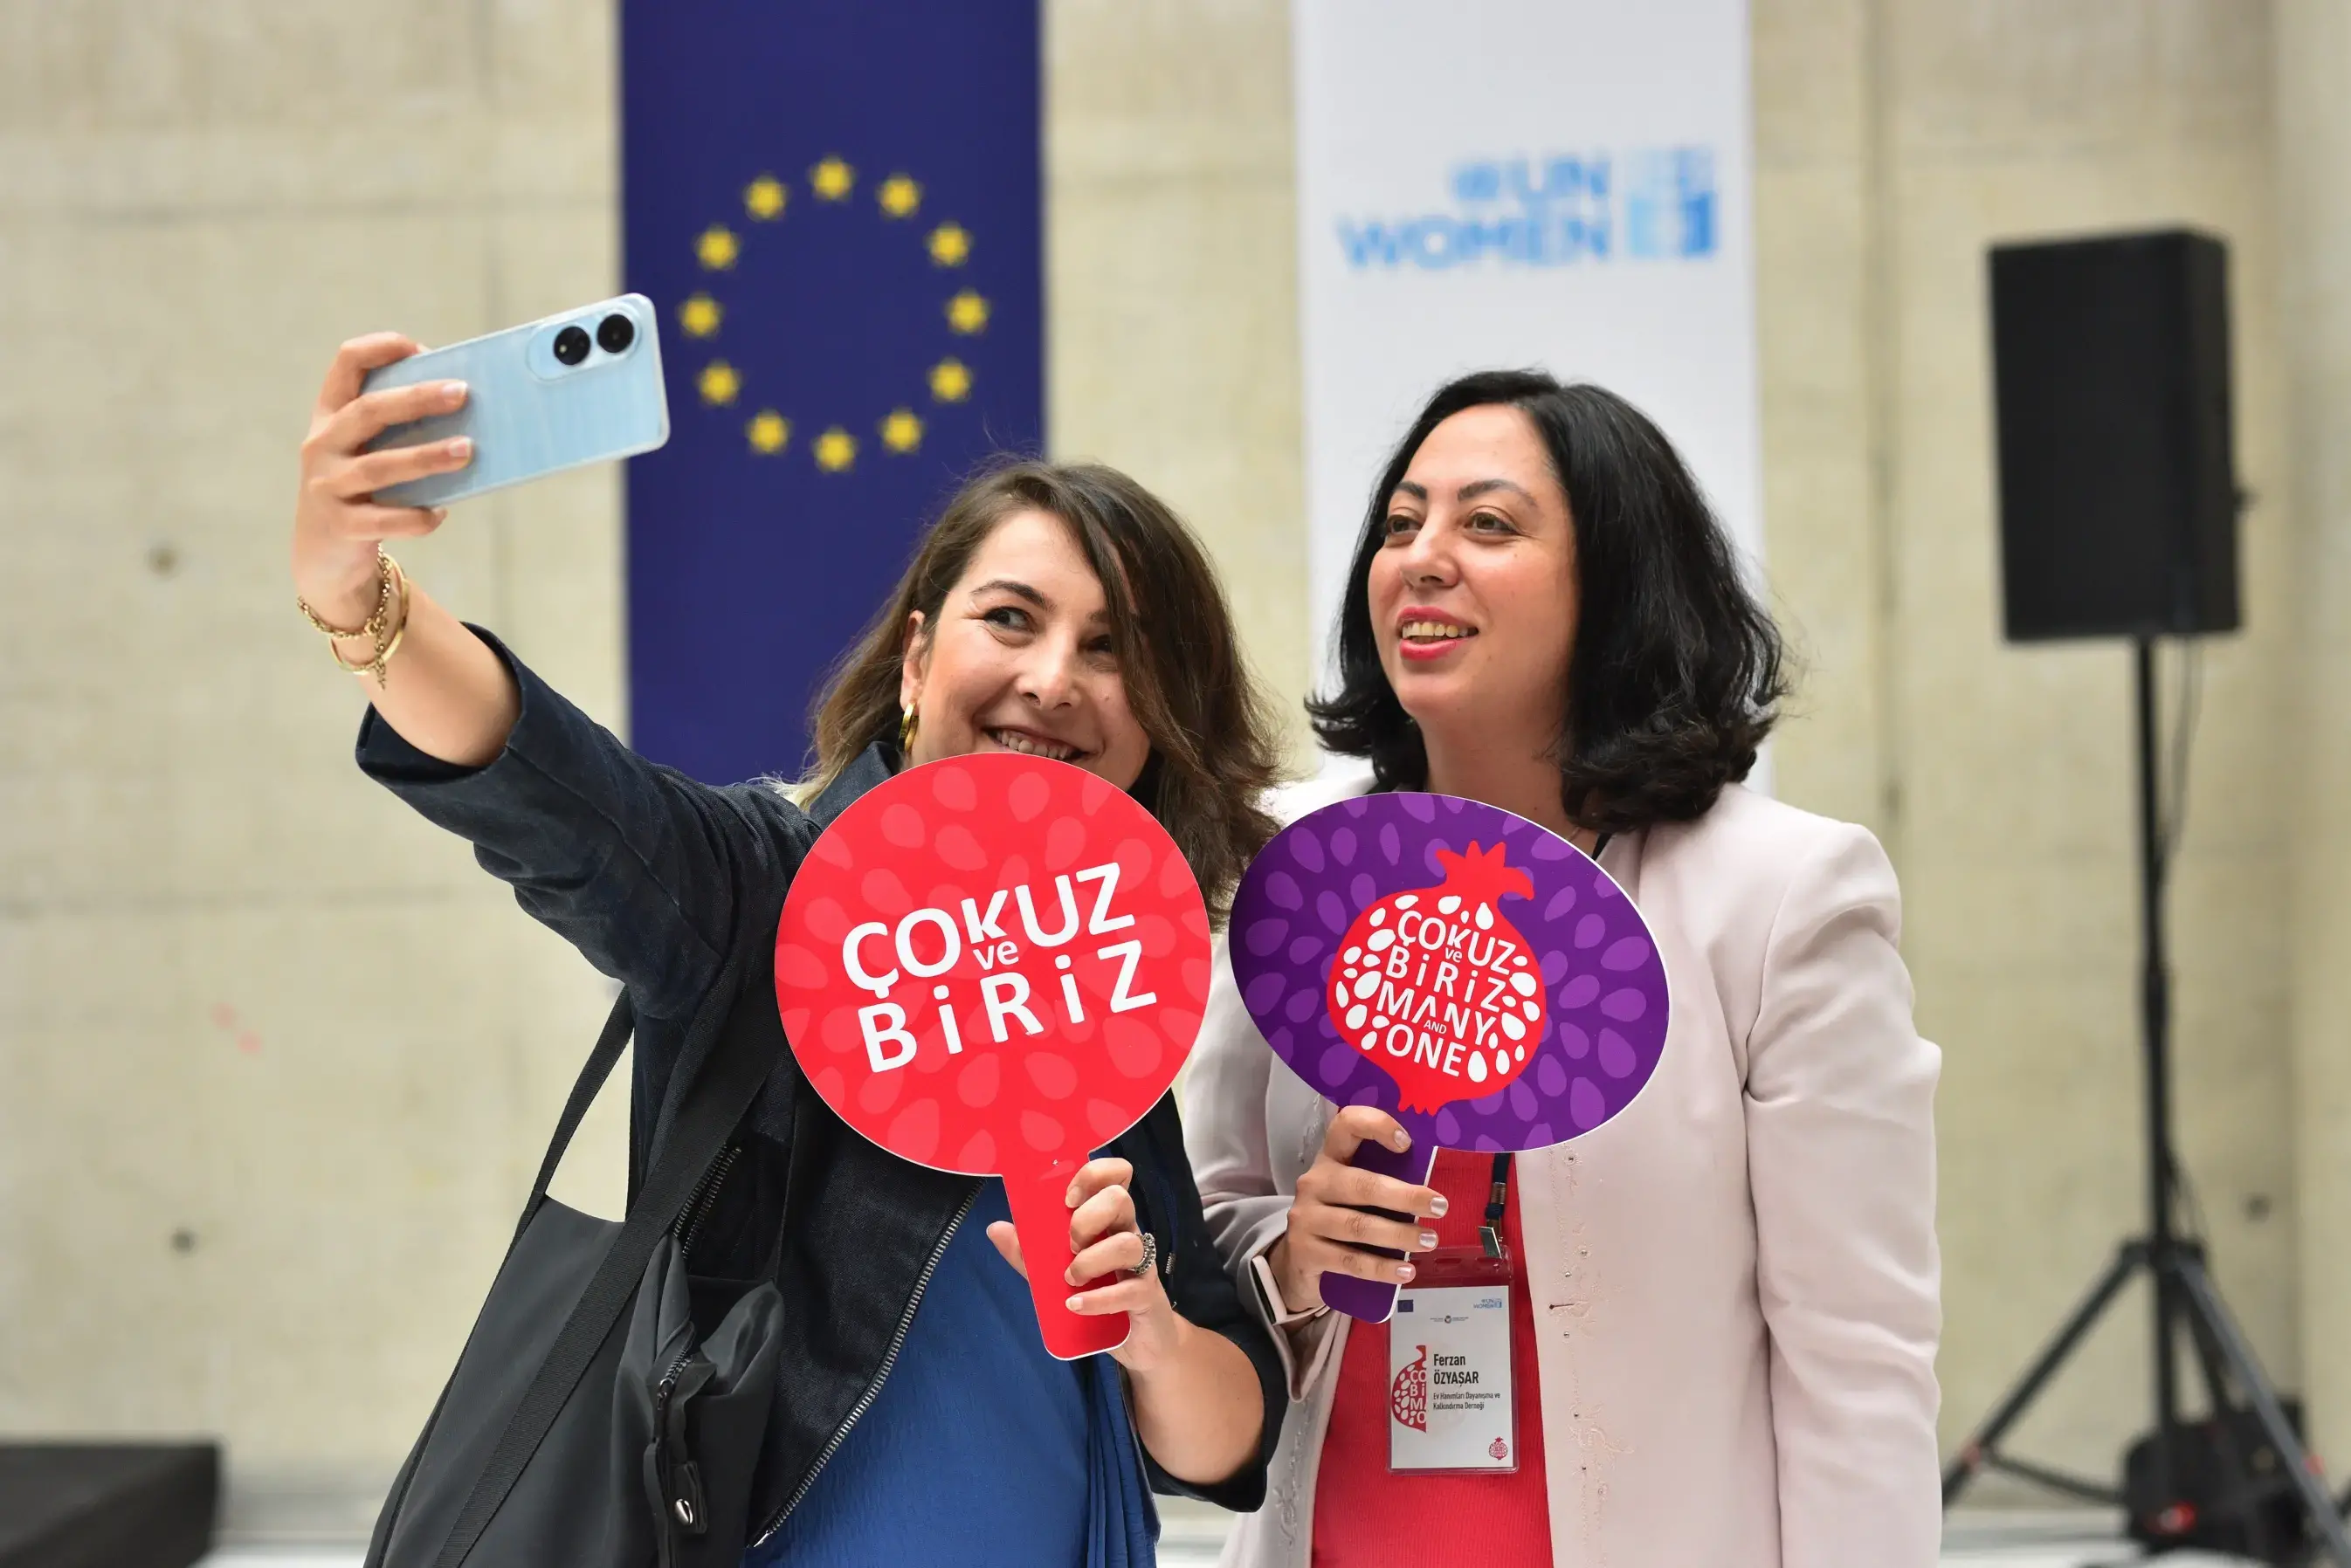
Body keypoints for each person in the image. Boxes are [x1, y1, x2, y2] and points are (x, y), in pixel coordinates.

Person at [291, 334, 1289, 1566]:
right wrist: (357, 595)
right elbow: (564, 798)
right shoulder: (762, 891)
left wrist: (1152, 1334)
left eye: (1115, 650)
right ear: (918, 663)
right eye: (1011, 620)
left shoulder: (1105, 974)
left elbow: (1219, 1443)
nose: (1054, 678)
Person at [1182, 370, 1942, 1566]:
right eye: (1400, 524)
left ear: (1621, 591)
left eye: (1487, 525)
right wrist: (1294, 1252)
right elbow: (1208, 1227)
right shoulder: (1296, 870)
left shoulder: (1781, 898)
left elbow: (1858, 1360)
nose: (1424, 557)